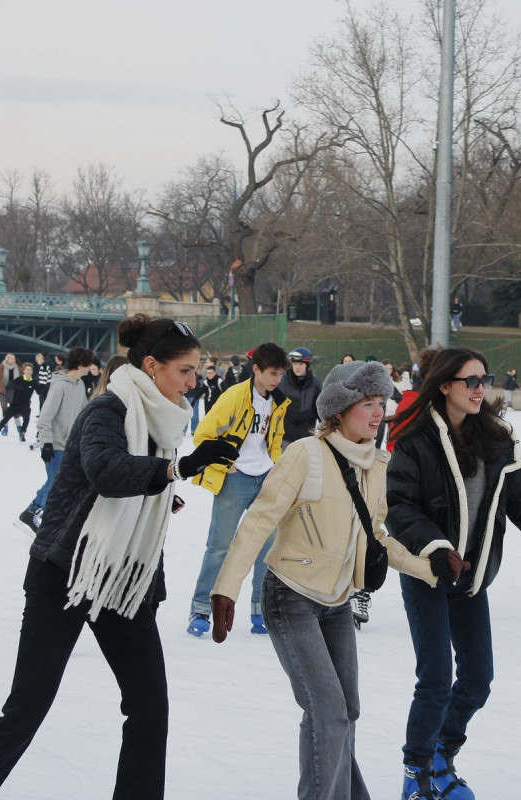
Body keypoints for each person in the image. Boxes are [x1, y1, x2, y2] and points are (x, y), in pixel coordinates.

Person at [0, 315, 237, 800]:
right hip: (65, 572)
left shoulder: (161, 420)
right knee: (27, 708)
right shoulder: (108, 410)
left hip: (122, 579)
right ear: (151, 365)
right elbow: (106, 471)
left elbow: (132, 482)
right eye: (184, 370)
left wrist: (162, 491)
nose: (193, 381)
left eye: (195, 370)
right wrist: (175, 469)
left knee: (149, 707)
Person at [210, 361, 440, 800]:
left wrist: (431, 570)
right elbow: (258, 522)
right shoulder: (305, 454)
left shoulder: (376, 464)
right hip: (290, 596)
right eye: (367, 403)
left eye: (381, 403)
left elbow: (375, 537)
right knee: (328, 710)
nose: (378, 413)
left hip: (336, 601)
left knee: (345, 710)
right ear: (338, 410)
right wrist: (226, 587)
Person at [385, 346, 521, 800]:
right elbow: (398, 506)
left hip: (471, 577)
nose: (481, 389)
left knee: (477, 679)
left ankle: (442, 754)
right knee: (436, 679)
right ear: (445, 386)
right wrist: (435, 547)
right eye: (471, 381)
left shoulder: (497, 441)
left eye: (485, 380)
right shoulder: (416, 439)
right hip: (427, 572)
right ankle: (416, 772)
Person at [186, 342, 291, 638]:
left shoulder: (278, 401)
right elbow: (203, 434)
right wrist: (225, 463)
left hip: (265, 478)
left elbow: (275, 437)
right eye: (272, 373)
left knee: (266, 548)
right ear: (256, 369)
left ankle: (260, 611)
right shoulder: (235, 395)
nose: (277, 379)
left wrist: (275, 464)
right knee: (219, 547)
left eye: (280, 374)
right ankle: (200, 609)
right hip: (236, 479)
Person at [17, 347, 94, 535]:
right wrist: (46, 444)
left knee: (64, 484)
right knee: (54, 483)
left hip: (70, 445)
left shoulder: (80, 385)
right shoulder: (59, 386)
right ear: (80, 365)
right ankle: (34, 512)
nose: (91, 366)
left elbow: (83, 414)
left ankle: (44, 515)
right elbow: (45, 417)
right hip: (55, 444)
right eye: (88, 363)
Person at [279, 347, 323, 448]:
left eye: (301, 364)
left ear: (307, 365)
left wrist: (325, 429)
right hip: (285, 437)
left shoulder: (316, 384)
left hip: (306, 437)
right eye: (295, 363)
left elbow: (320, 411)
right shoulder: (281, 382)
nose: (297, 367)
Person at [0, 363, 35, 442]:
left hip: (25, 404)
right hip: (15, 404)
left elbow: (40, 390)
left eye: (30, 370)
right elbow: (10, 384)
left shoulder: (33, 381)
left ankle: (22, 432)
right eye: (27, 370)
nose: (29, 372)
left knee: (26, 418)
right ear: (24, 371)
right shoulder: (19, 379)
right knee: (5, 418)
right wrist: (17, 387)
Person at [0, 354, 19, 435]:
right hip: (3, 391)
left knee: (15, 410)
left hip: (14, 391)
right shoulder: (1, 368)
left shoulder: (18, 368)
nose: (13, 360)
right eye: (11, 359)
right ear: (7, 360)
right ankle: (5, 428)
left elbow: (23, 376)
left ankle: (19, 427)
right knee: (5, 411)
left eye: (14, 359)